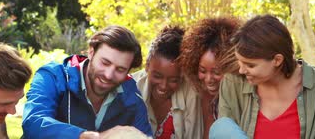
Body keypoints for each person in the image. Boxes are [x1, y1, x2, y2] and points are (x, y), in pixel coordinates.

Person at [211, 15, 315, 139]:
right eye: (239, 61)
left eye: (250, 65)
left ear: (277, 60)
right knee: (220, 127)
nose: (241, 70)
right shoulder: (234, 82)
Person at [22, 25, 153, 139]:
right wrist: (85, 137)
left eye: (120, 69)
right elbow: (33, 123)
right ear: (91, 52)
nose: (108, 75)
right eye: (105, 63)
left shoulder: (133, 98)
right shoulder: (52, 77)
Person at [132, 25, 201, 139]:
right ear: (147, 66)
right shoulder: (131, 86)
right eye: (157, 76)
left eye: (173, 80)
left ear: (182, 75)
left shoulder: (191, 94)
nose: (163, 86)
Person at [178, 17, 241, 139]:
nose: (208, 79)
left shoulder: (240, 95)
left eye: (216, 72)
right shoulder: (199, 94)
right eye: (202, 71)